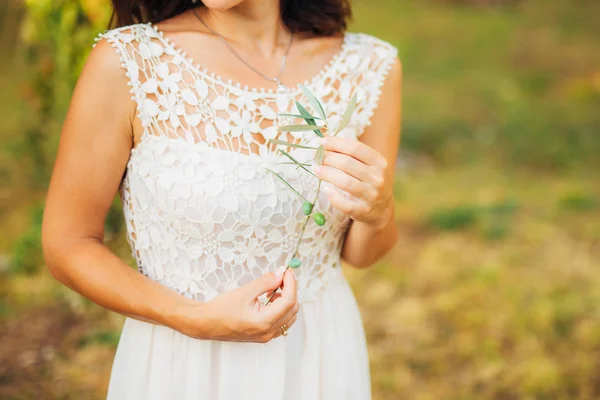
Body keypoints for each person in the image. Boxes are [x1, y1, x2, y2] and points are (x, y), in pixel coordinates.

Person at [41, 0, 401, 398]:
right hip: (181, 364)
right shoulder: (128, 63)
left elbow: (361, 255)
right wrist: (192, 318)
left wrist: (379, 211)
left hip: (317, 356)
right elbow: (67, 244)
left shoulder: (367, 68)